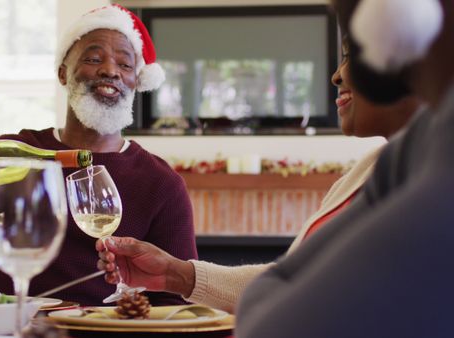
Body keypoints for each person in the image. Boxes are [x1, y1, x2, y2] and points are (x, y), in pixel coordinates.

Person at [95, 37, 422, 313]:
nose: (336, 76)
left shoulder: (432, 179)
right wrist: (176, 275)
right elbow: (291, 280)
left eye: (350, 56)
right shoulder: (373, 167)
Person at [0, 4, 197, 306]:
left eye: (125, 65)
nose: (110, 70)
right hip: (17, 326)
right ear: (63, 73)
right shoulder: (11, 155)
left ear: (136, 81)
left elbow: (176, 300)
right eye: (93, 58)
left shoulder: (162, 183)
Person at [233, 0, 454, 336]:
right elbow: (280, 285)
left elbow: (275, 323)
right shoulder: (406, 151)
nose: (336, 75)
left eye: (351, 49)